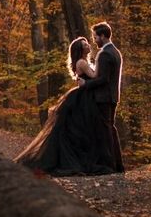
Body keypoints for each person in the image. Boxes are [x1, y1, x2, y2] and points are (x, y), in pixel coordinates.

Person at [15, 35, 119, 176]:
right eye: (85, 44)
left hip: (85, 96)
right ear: (80, 49)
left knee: (84, 130)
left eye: (87, 43)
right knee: (84, 129)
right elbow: (95, 76)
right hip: (85, 98)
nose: (88, 45)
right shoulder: (82, 62)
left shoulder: (83, 61)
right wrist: (100, 61)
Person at [76, 21, 124, 173]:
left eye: (96, 37)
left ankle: (109, 165)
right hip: (113, 97)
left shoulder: (104, 54)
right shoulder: (116, 52)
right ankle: (117, 164)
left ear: (103, 36)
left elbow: (103, 79)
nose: (94, 40)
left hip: (103, 98)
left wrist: (85, 84)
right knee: (110, 129)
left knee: (105, 132)